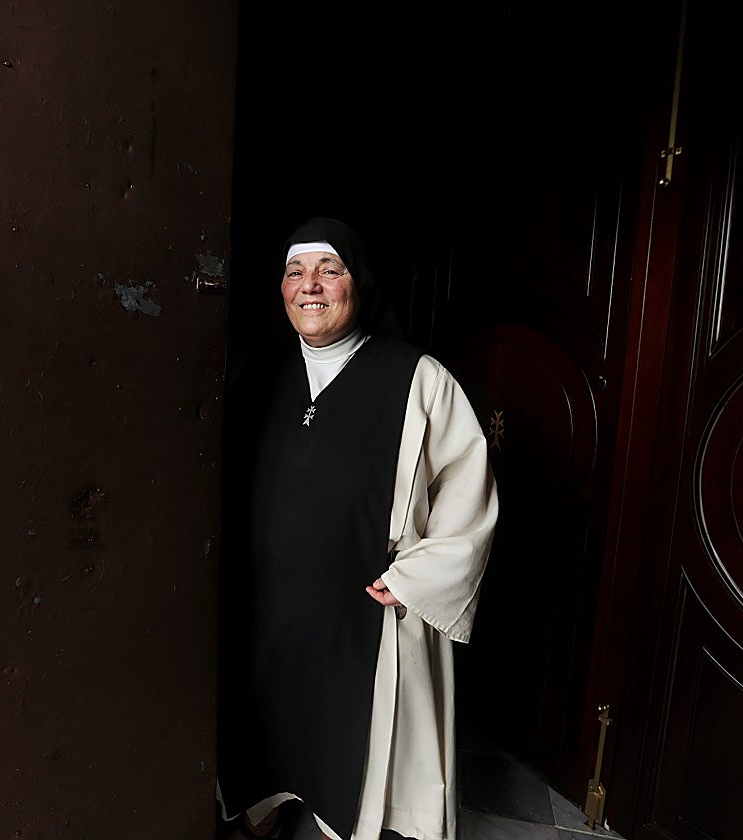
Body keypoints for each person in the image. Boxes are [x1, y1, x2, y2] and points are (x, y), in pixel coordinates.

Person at [216, 216, 498, 840]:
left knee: (352, 755)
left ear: (357, 283)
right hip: (270, 609)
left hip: (368, 611)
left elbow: (467, 482)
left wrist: (417, 578)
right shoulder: (255, 376)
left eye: (329, 270)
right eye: (295, 272)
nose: (309, 286)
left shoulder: (416, 377)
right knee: (268, 740)